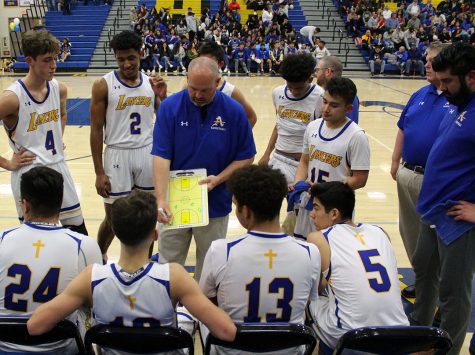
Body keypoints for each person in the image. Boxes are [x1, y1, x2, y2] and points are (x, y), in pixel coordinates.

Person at [27, 190, 237, 351]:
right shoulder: (174, 277)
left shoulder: (92, 277)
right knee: (187, 318)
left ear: (115, 232)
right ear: (155, 235)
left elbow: (35, 325)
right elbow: (226, 331)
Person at [152, 57, 256, 281]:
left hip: (215, 202)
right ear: (186, 79)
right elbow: (161, 155)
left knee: (209, 267)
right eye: (193, 88)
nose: (198, 95)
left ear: (218, 82)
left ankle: (201, 315)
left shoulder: (234, 112)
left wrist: (219, 179)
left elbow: (247, 156)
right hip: (174, 202)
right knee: (168, 265)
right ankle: (166, 312)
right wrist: (161, 198)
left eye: (205, 90)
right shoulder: (170, 108)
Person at [199, 165, 320, 351]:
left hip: (233, 350)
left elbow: (206, 300)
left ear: (245, 211)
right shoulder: (310, 252)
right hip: (288, 350)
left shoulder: (221, 250)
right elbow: (307, 302)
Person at [411, 42, 475, 355]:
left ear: (471, 77)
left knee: (452, 293)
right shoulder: (456, 102)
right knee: (423, 274)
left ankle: (446, 349)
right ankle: (420, 336)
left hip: (458, 221)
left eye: (448, 81)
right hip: (432, 210)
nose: (442, 87)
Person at [0, 166, 101, 354]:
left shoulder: (2, 239)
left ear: (25, 205)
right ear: (60, 202)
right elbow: (98, 306)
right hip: (60, 349)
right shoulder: (84, 246)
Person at [0, 29, 87, 235]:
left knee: (78, 234)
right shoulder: (12, 98)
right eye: (47, 60)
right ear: (29, 60)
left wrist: (57, 136)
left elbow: (63, 115)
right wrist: (6, 163)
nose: (54, 65)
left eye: (55, 59)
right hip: (30, 175)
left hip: (58, 167)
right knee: (36, 241)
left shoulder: (59, 88)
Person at [90, 30, 167, 259]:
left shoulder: (151, 83)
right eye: (121, 59)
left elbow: (163, 120)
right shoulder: (103, 85)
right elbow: (95, 129)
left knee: (148, 217)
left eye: (131, 58)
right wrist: (98, 172)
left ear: (140, 54)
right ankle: (100, 255)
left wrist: (162, 96)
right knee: (114, 219)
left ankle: (144, 262)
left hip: (146, 152)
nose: (126, 64)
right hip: (116, 154)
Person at [306, 182, 408, 353]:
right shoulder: (380, 232)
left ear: (334, 214)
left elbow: (316, 287)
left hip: (351, 337)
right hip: (398, 333)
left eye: (316, 208)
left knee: (310, 297)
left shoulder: (318, 238)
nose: (311, 214)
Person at [390, 42, 455, 299]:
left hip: (437, 181)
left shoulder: (459, 99)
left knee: (436, 238)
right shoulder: (419, 94)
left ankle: (438, 290)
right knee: (411, 232)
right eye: (426, 59)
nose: (426, 64)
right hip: (407, 173)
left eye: (432, 60)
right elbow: (403, 127)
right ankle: (423, 279)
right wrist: (395, 162)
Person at [291, 78, 370, 240]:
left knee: (331, 255)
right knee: (306, 248)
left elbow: (360, 179)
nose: (326, 109)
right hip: (310, 202)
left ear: (349, 108)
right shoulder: (313, 126)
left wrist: (326, 189)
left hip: (336, 208)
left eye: (334, 105)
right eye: (324, 102)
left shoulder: (357, 136)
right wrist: (297, 182)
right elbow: (305, 161)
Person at [258, 53, 324, 184]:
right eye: (290, 86)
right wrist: (266, 154)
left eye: (298, 88)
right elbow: (279, 125)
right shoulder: (277, 93)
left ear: (310, 79)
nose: (294, 91)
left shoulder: (321, 97)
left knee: (297, 205)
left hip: (302, 164)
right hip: (278, 157)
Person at [197, 41, 257, 128]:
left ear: (220, 64)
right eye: (201, 62)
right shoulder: (190, 86)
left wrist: (237, 139)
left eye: (209, 63)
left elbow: (251, 118)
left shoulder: (231, 91)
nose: (204, 66)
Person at [314, 56, 359, 123]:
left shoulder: (342, 95)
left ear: (328, 71)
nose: (316, 74)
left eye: (318, 70)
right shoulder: (351, 94)